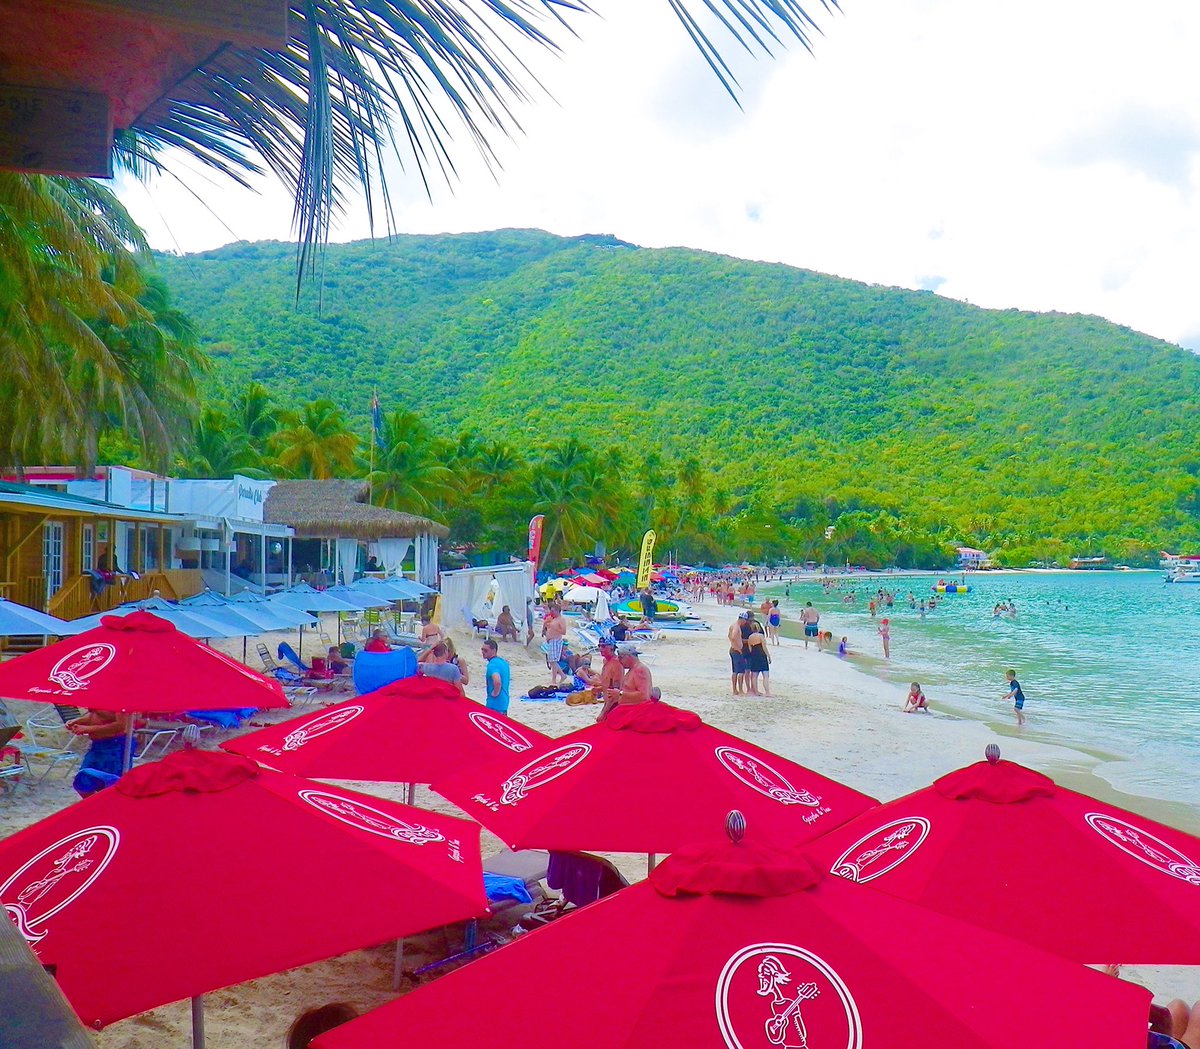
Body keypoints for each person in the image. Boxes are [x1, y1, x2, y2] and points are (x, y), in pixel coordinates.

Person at [66, 709, 135, 797]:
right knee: (83, 780)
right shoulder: (100, 697)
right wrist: (78, 721)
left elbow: (121, 725)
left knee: (112, 785)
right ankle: (97, 806)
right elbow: (97, 714)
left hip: (115, 745)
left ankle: (109, 808)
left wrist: (89, 729)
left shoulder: (118, 699)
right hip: (97, 745)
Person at [602, 644, 653, 713]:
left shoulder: (640, 669)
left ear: (629, 657)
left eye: (621, 657)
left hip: (636, 710)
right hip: (628, 708)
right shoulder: (632, 670)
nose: (619, 660)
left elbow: (644, 695)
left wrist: (620, 694)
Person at [480, 639, 511, 715]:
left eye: (486, 650)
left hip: (494, 704)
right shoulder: (503, 663)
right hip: (504, 702)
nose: (483, 652)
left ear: (493, 650)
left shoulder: (492, 665)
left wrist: (494, 693)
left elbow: (497, 682)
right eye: (482, 650)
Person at [542, 603, 568, 686]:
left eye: (553, 611)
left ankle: (560, 676)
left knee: (553, 660)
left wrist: (553, 627)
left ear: (557, 611)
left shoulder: (561, 619)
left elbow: (564, 631)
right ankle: (556, 678)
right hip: (551, 640)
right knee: (551, 660)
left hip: (556, 640)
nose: (551, 612)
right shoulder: (552, 618)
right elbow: (546, 625)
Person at [745, 616, 771, 696]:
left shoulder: (750, 637)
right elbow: (764, 647)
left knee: (754, 675)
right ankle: (767, 692)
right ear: (759, 628)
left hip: (754, 656)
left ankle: (756, 691)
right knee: (765, 675)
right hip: (761, 656)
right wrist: (769, 656)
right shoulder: (761, 636)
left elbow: (750, 649)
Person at [728, 614, 748, 696]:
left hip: (733, 649)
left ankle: (734, 690)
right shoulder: (736, 626)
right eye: (745, 620)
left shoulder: (733, 625)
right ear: (742, 619)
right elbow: (732, 637)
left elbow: (729, 636)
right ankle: (740, 690)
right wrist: (738, 648)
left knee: (735, 671)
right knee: (741, 671)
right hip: (736, 651)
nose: (745, 622)